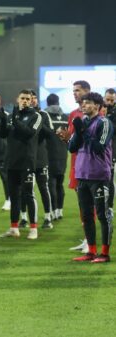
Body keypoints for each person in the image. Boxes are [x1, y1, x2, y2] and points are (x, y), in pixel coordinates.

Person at [69, 92, 113, 263]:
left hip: (99, 175)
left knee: (102, 215)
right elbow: (72, 148)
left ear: (97, 106)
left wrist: (83, 131)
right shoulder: (83, 122)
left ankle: (105, 253)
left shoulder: (104, 123)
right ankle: (91, 251)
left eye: (87, 102)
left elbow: (99, 148)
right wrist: (78, 132)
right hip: (82, 174)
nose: (83, 105)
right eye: (82, 103)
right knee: (87, 215)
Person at [0, 89, 42, 240]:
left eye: (27, 99)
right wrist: (3, 119)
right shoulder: (11, 116)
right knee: (14, 196)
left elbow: (29, 133)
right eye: (22, 98)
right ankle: (14, 228)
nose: (24, 101)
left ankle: (34, 228)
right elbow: (3, 134)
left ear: (31, 101)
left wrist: (14, 120)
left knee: (28, 194)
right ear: (18, 99)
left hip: (27, 162)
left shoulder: (36, 116)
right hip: (12, 161)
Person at [58, 81, 91, 253]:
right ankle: (87, 239)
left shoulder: (97, 113)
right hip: (76, 164)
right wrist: (65, 137)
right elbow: (73, 141)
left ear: (87, 92)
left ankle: (91, 242)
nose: (74, 93)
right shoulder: (72, 114)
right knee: (82, 204)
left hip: (91, 165)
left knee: (92, 205)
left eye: (77, 90)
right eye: (73, 91)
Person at [19, 90, 54, 229]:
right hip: (26, 156)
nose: (31, 101)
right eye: (29, 98)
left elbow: (50, 133)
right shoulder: (21, 115)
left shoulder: (43, 114)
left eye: (33, 98)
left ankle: (47, 218)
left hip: (40, 156)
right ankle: (24, 218)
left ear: (36, 100)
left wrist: (38, 123)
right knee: (24, 188)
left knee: (43, 187)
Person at [45, 93, 68, 221]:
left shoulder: (45, 116)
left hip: (49, 154)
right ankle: (60, 211)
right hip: (63, 154)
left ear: (47, 103)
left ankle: (53, 211)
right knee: (60, 184)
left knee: (51, 184)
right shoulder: (65, 117)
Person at [102, 88, 116, 214]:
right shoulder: (99, 110)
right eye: (108, 99)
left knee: (110, 179)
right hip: (99, 151)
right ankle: (100, 205)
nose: (110, 102)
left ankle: (110, 206)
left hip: (112, 151)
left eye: (112, 100)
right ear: (103, 98)